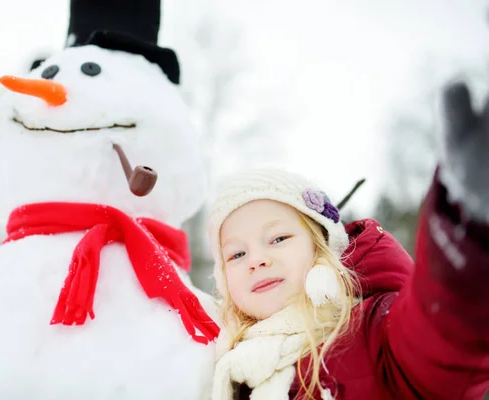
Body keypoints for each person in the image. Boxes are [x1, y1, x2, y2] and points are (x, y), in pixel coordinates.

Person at [206, 81, 489, 400]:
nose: (256, 260)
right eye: (237, 254)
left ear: (322, 248)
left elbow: (442, 340)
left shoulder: (370, 334)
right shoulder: (221, 361)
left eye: (278, 238)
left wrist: (466, 239)